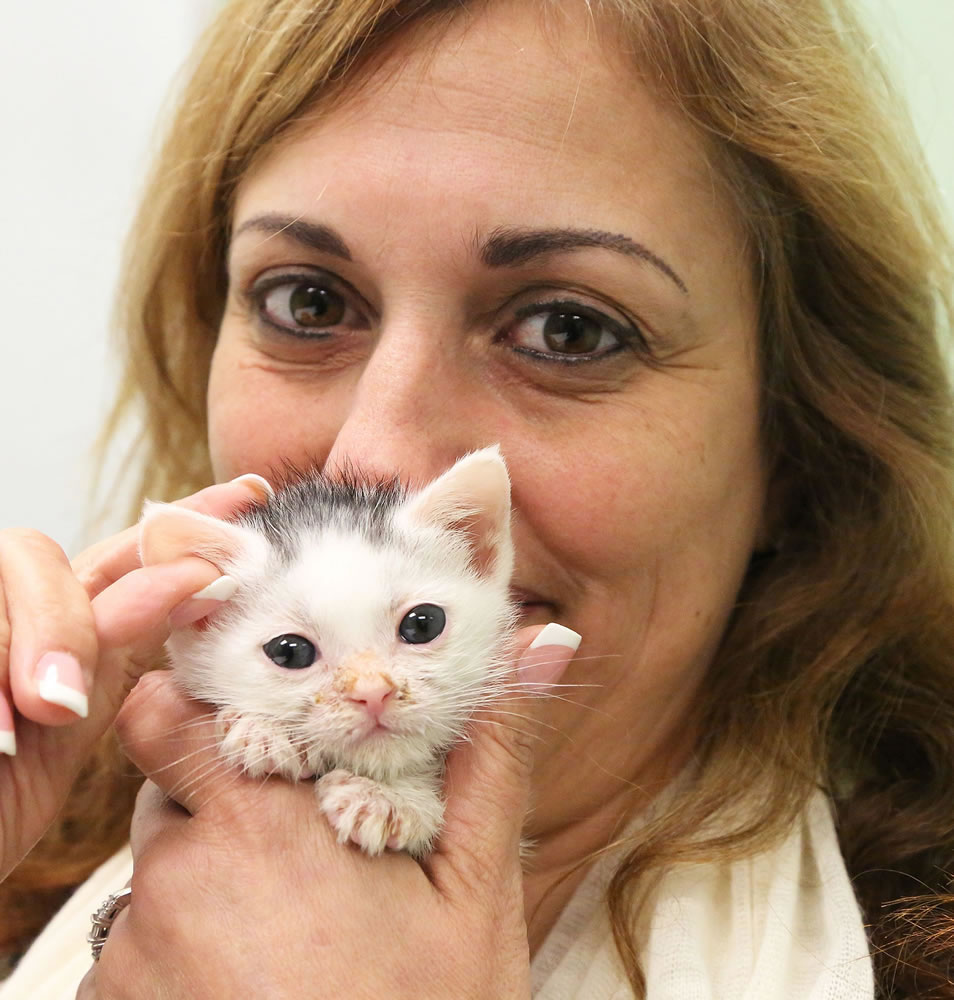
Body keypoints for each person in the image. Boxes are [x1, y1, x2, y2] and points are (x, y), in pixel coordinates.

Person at [1, 0, 952, 996]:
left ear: (801, 442)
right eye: (308, 302)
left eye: (569, 330)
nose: (384, 458)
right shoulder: (33, 871)